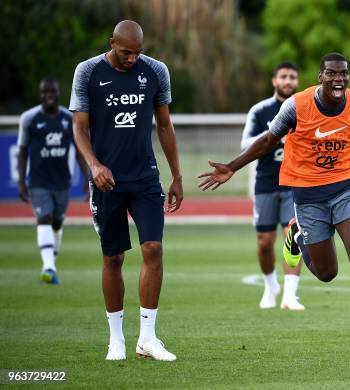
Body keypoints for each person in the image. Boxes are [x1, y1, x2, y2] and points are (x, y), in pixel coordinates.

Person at [200, 52, 350, 362]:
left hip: (346, 187)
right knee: (327, 273)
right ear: (320, 77)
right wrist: (232, 167)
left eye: (343, 73)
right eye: (331, 73)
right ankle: (298, 236)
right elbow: (267, 141)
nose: (338, 78)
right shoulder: (296, 106)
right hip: (308, 194)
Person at [69, 20, 183, 362]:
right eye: (125, 52)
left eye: (137, 53)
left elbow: (164, 125)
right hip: (106, 180)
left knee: (153, 249)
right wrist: (94, 166)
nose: (132, 58)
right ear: (112, 44)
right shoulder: (87, 72)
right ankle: (115, 339)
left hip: (145, 177)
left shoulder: (156, 72)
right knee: (114, 257)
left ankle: (147, 338)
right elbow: (79, 126)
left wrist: (176, 175)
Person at [241, 61, 304, 310]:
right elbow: (245, 143)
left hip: (295, 183)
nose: (288, 81)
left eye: (292, 77)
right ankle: (270, 286)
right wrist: (273, 134)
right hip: (266, 182)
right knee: (264, 241)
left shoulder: (304, 108)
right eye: (284, 77)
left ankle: (290, 295)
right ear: (274, 81)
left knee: (293, 237)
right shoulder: (260, 110)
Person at [17, 77, 88, 284]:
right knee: (44, 218)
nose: (48, 96)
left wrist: (87, 178)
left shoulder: (69, 118)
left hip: (62, 181)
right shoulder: (29, 118)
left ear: (58, 93)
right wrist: (22, 181)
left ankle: (51, 265)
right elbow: (22, 151)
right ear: (41, 95)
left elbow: (79, 151)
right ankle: (48, 266)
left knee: (57, 222)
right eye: (44, 92)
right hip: (38, 181)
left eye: (52, 92)